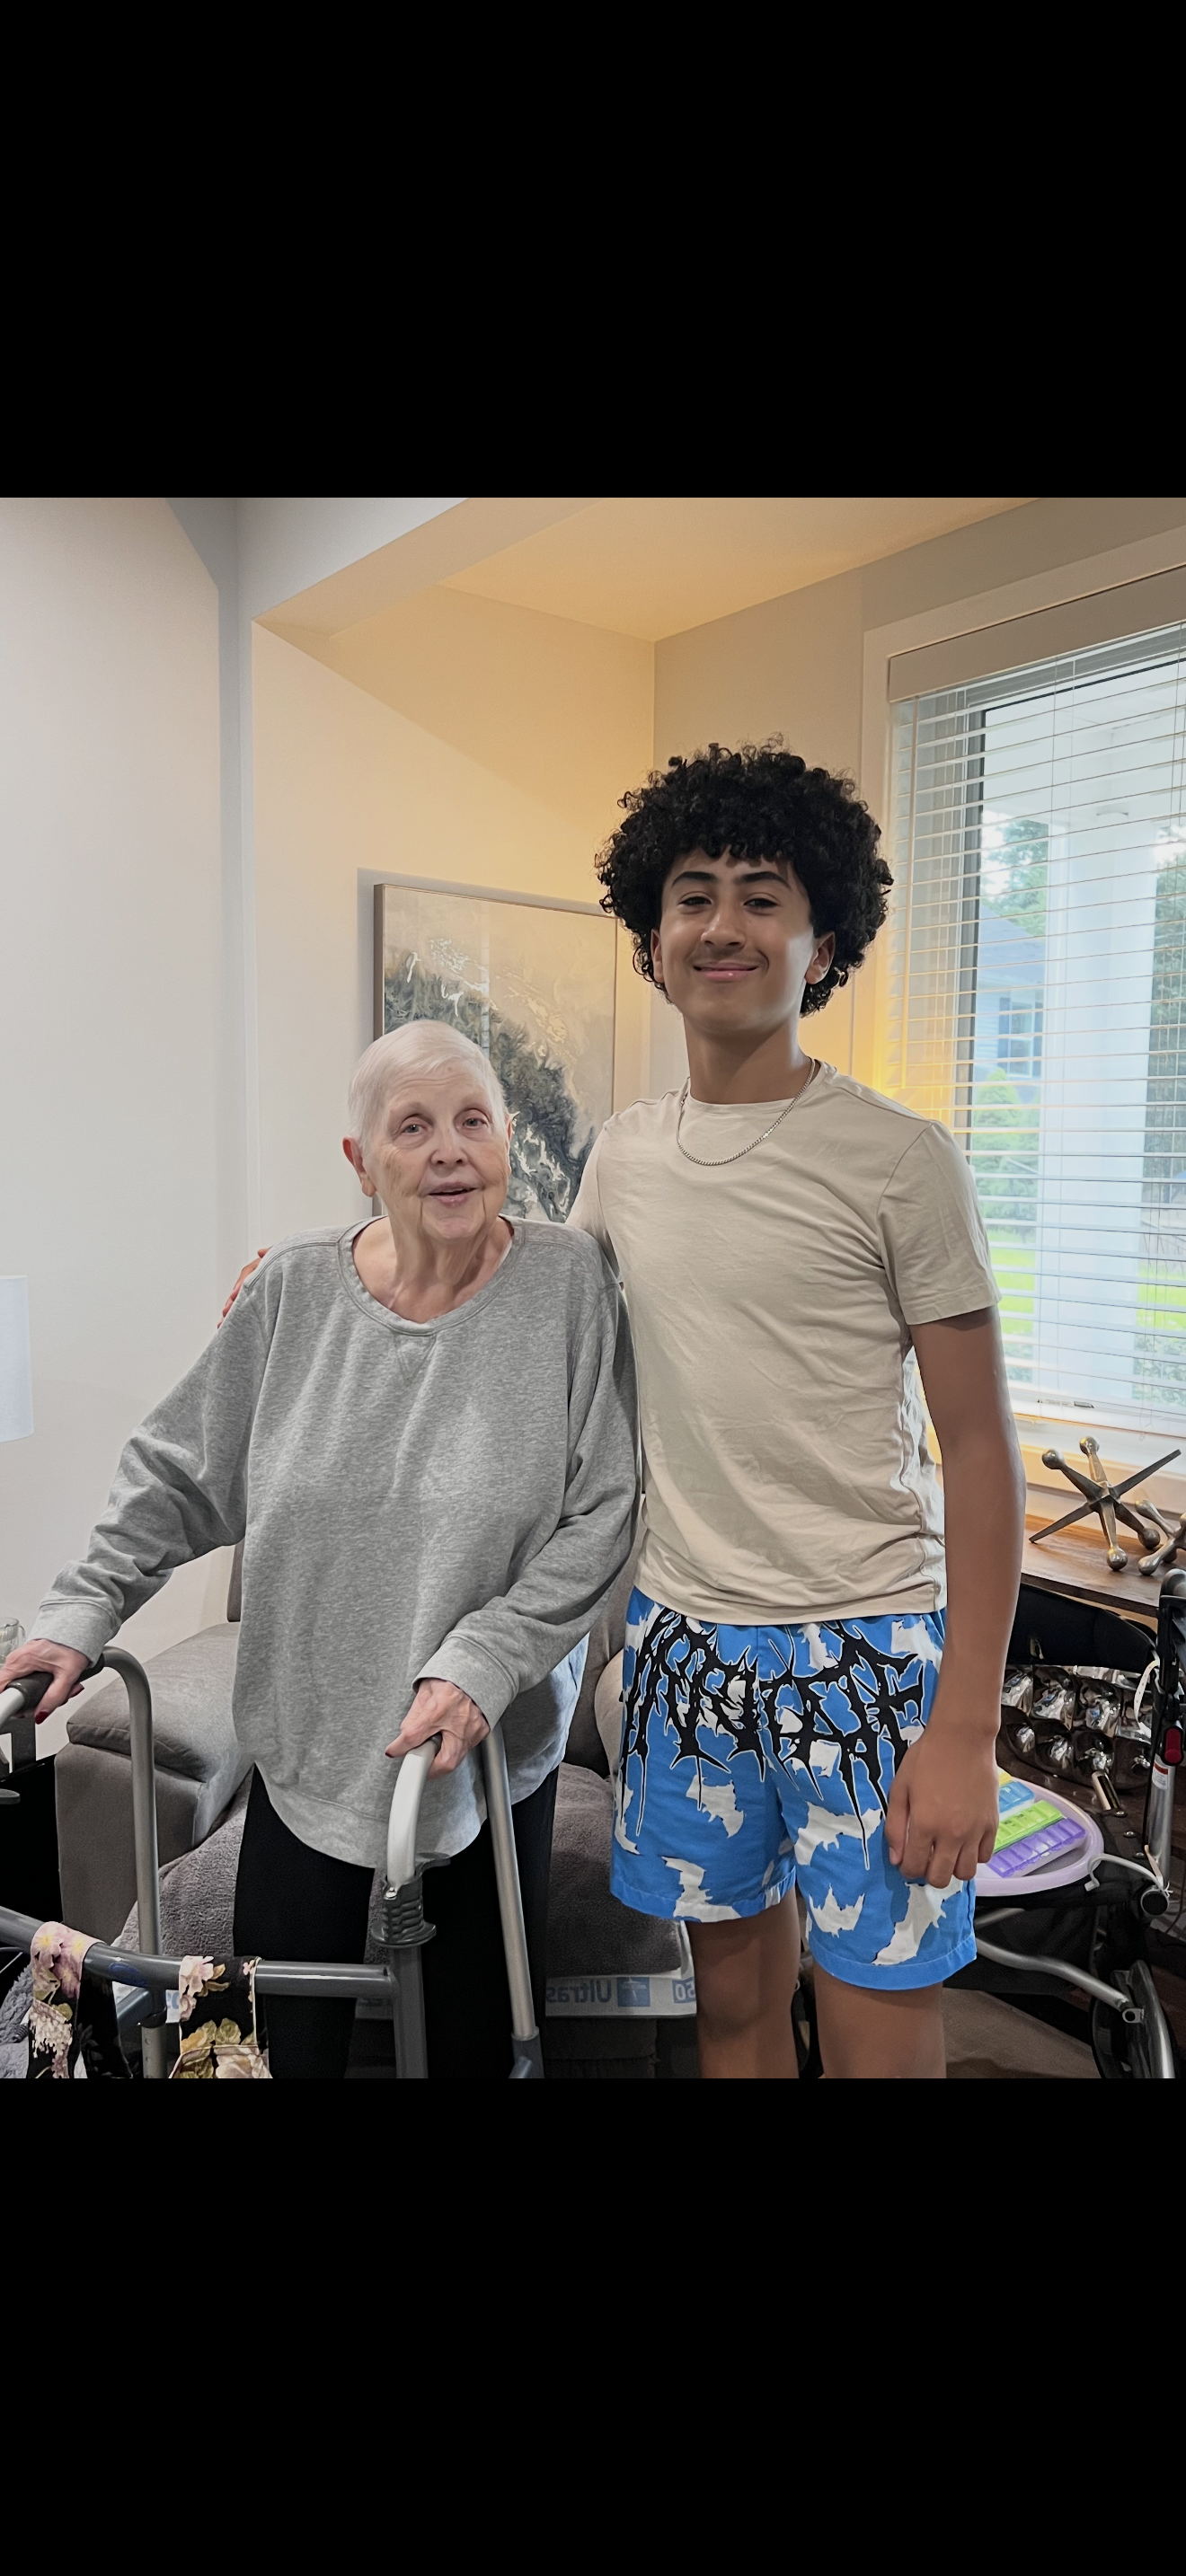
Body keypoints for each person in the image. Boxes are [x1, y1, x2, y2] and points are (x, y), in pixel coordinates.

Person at [0, 1023, 638, 2078]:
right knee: (263, 2053)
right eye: (413, 1127)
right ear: (360, 1163)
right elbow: (178, 1471)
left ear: (507, 1139)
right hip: (310, 1748)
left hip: (485, 1755)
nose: (449, 1151)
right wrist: (84, 1609)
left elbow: (603, 1514)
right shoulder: (292, 1288)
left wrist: (483, 1659)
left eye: (473, 1121)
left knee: (480, 2049)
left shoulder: (570, 1287)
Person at [568, 740, 1025, 2078]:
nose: (722, 924)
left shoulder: (900, 1160)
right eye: (692, 893)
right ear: (653, 938)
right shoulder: (623, 1155)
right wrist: (337, 1264)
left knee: (880, 2035)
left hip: (864, 1657)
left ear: (822, 942)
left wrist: (967, 1727)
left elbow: (983, 1455)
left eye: (763, 896)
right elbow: (526, 1302)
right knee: (732, 2022)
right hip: (685, 1655)